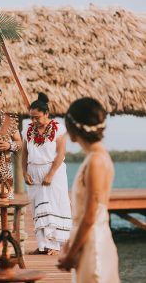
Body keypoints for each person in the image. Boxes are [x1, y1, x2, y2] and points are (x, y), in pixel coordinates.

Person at [57, 97, 120, 282]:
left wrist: (70, 255)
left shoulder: (96, 161)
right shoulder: (93, 157)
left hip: (94, 245)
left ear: (73, 127)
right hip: (87, 241)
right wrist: (68, 245)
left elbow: (90, 216)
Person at [22, 92, 71, 255]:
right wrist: (24, 171)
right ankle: (42, 245)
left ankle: (54, 246)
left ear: (46, 114)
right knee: (37, 208)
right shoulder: (27, 130)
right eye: (31, 118)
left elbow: (60, 154)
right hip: (33, 171)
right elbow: (24, 154)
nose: (34, 121)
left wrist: (50, 174)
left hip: (53, 171)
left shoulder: (59, 129)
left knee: (53, 206)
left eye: (37, 117)